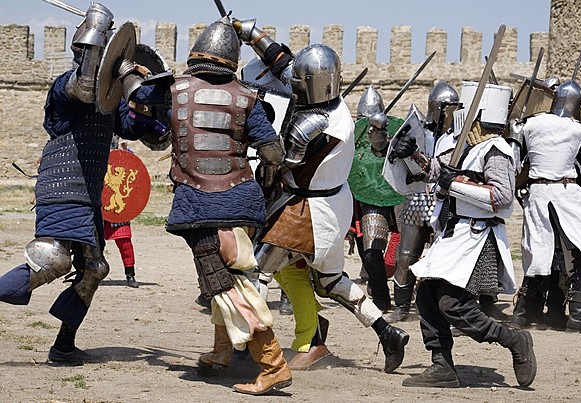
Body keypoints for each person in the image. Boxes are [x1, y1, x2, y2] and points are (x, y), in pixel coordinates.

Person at [235, 19, 410, 373]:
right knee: (332, 281)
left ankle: (245, 351)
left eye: (300, 85)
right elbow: (283, 63)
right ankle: (388, 332)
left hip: (308, 213)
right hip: (331, 205)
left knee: (257, 272)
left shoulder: (316, 125)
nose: (295, 87)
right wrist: (251, 33)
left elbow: (276, 163)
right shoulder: (332, 101)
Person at [133, 16, 292, 395]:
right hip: (242, 200)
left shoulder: (174, 90)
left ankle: (273, 364)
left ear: (196, 54)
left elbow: (138, 98)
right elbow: (273, 152)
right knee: (223, 276)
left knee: (223, 282)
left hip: (199, 204)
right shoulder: (247, 97)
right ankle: (222, 353)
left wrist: (131, 74)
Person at [0, 3, 143, 364]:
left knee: (95, 269)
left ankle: (63, 346)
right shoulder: (65, 84)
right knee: (53, 260)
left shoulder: (111, 99)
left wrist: (148, 94)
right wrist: (100, 38)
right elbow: (84, 88)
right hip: (63, 188)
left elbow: (138, 129)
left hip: (88, 193)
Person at [402, 82, 536, 388]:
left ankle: (514, 340)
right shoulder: (469, 146)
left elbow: (502, 197)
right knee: (426, 296)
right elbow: (441, 173)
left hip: (478, 236)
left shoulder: (497, 150)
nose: (460, 114)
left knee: (452, 304)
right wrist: (414, 156)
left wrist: (454, 184)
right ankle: (442, 366)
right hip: (454, 233)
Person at [509, 80, 581, 334]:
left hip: (537, 192)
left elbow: (516, 159)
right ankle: (579, 317)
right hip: (566, 194)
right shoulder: (580, 130)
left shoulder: (530, 123)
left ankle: (524, 313)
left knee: (539, 253)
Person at [386, 81, 459, 323]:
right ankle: (402, 306)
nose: (449, 112)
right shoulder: (416, 132)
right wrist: (398, 150)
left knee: (445, 256)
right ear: (436, 107)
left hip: (446, 199)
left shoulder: (458, 137)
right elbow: (394, 161)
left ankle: (442, 306)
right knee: (406, 255)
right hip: (417, 197)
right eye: (446, 107)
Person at [349, 85, 405, 312]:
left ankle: (397, 298)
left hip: (392, 195)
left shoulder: (395, 136)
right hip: (362, 197)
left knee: (401, 251)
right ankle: (380, 293)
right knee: (368, 252)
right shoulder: (352, 136)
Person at [103, 138, 140, 288]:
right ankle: (87, 273)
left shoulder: (121, 155)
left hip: (118, 209)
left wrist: (125, 150)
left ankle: (130, 275)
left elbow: (133, 166)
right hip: (98, 204)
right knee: (91, 244)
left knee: (125, 242)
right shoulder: (93, 153)